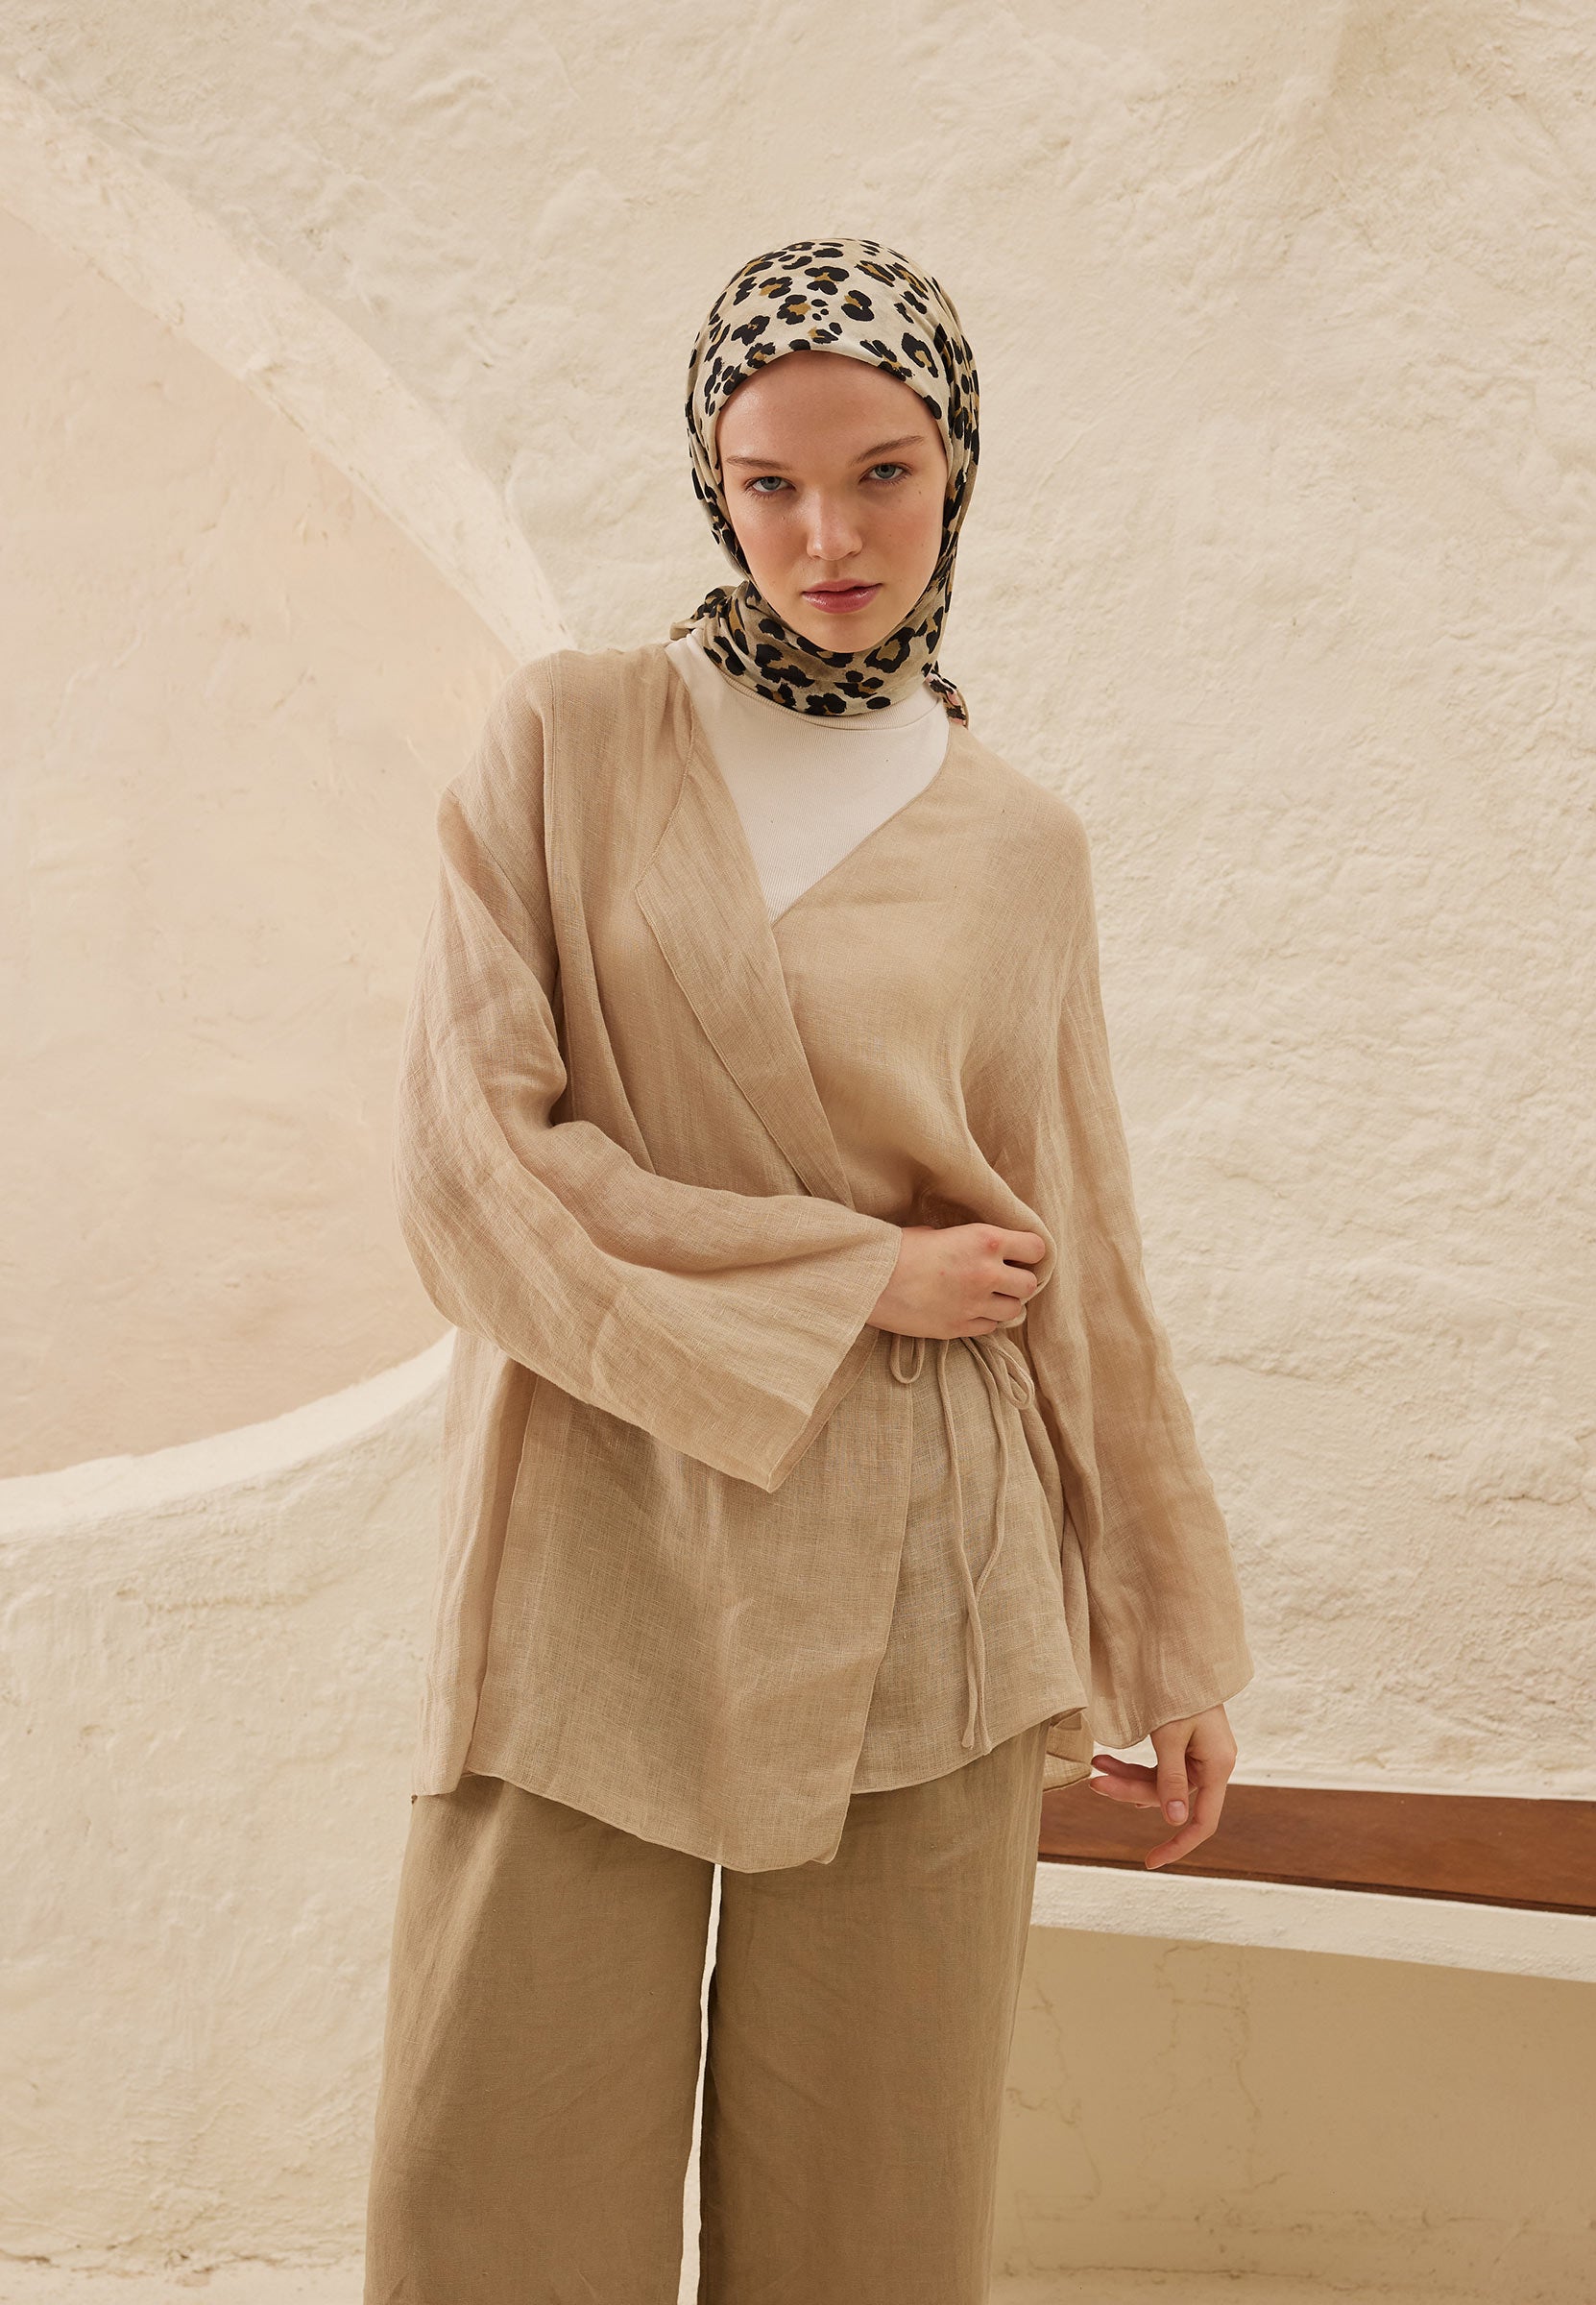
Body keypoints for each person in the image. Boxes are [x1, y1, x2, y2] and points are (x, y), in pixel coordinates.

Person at [362, 235, 1253, 2304]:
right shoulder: (570, 740)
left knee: (875, 2204)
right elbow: (467, 1170)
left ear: (959, 474)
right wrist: (853, 1274)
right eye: (769, 483)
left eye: (883, 476)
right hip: (593, 1517)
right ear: (710, 477)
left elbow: (1083, 1241)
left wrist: (1166, 1630)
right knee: (495, 2174)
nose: (827, 538)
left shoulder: (1018, 845)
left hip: (924, 1561)